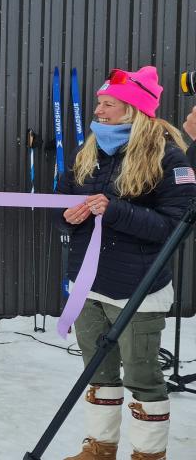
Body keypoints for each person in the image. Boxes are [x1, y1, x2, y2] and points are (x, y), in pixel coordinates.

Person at [58, 66, 195, 460]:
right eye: (99, 103)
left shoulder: (169, 158)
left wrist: (115, 211)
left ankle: (149, 454)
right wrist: (66, 214)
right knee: (97, 371)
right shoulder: (90, 152)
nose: (98, 111)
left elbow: (175, 228)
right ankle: (99, 449)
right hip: (88, 284)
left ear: (133, 109)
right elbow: (64, 199)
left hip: (139, 288)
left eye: (108, 104)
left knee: (142, 376)